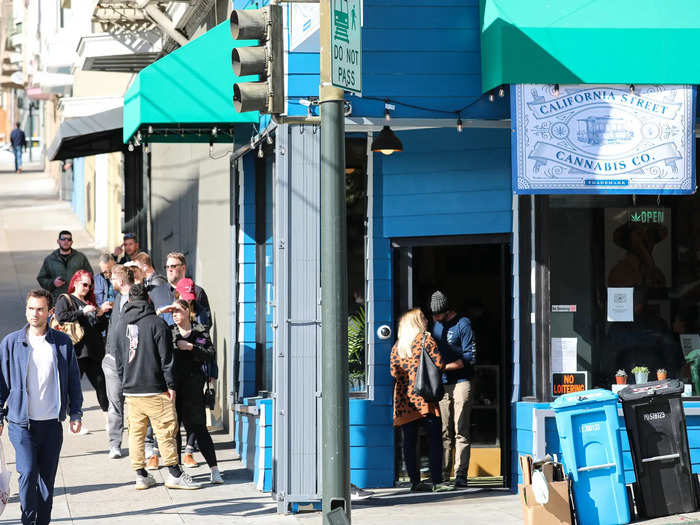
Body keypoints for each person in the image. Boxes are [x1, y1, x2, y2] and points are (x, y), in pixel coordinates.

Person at [0, 289, 83, 524]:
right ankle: (28, 519)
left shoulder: (62, 343)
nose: (34, 313)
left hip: (51, 425)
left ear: (50, 312)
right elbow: (1, 383)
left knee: (47, 480)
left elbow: (73, 381)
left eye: (40, 309)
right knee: (27, 473)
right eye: (30, 308)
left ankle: (43, 521)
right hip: (21, 424)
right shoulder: (11, 343)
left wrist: (75, 412)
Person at [114, 284, 201, 490]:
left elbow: (117, 359)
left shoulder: (120, 324)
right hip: (155, 388)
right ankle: (174, 473)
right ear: (148, 300)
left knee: (136, 433)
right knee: (166, 430)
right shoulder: (156, 323)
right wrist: (170, 385)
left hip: (131, 390)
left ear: (129, 302)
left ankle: (141, 474)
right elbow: (166, 359)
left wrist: (124, 381)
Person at [391, 308, 451, 492]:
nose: (426, 320)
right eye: (423, 318)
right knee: (434, 441)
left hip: (404, 400)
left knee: (409, 443)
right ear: (417, 322)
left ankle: (415, 482)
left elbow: (393, 372)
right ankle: (436, 481)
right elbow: (439, 364)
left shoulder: (398, 346)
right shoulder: (426, 339)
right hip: (425, 398)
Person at [171, 298, 223, 484]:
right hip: (175, 389)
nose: (175, 314)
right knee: (174, 431)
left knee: (199, 429)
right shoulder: (170, 333)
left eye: (177, 310)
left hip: (194, 388)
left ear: (187, 310)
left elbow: (210, 353)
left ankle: (214, 470)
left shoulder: (199, 330)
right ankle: (177, 472)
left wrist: (192, 347)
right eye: (172, 312)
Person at [54, 271, 111, 430]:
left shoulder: (90, 302)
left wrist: (100, 314)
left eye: (89, 285)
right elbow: (61, 316)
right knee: (73, 390)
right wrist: (82, 312)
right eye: (84, 284)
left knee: (101, 386)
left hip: (93, 352)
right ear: (75, 282)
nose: (87, 288)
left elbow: (100, 328)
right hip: (76, 353)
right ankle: (75, 423)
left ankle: (109, 420)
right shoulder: (65, 299)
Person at [430, 291, 476, 488]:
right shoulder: (436, 326)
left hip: (461, 380)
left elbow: (470, 357)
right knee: (444, 431)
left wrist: (444, 367)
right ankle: (443, 474)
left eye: (437, 314)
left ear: (446, 311)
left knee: (460, 429)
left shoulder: (463, 324)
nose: (434, 318)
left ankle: (461, 474)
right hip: (443, 382)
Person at [102, 265, 134, 458]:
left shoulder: (136, 299)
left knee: (137, 404)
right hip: (112, 360)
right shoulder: (116, 299)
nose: (111, 282)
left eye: (113, 279)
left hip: (132, 361)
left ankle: (147, 444)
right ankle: (114, 444)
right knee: (115, 404)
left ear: (120, 281)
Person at [150, 252, 211, 328]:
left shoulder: (197, 291)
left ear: (183, 268)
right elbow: (150, 321)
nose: (169, 269)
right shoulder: (156, 292)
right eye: (167, 267)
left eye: (173, 266)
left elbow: (206, 322)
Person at [36, 231, 94, 300]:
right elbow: (41, 278)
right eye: (63, 239)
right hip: (57, 300)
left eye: (69, 239)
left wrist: (82, 286)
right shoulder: (50, 259)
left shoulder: (80, 258)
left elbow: (90, 275)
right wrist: (53, 283)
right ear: (58, 241)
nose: (66, 241)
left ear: (72, 242)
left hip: (77, 299)